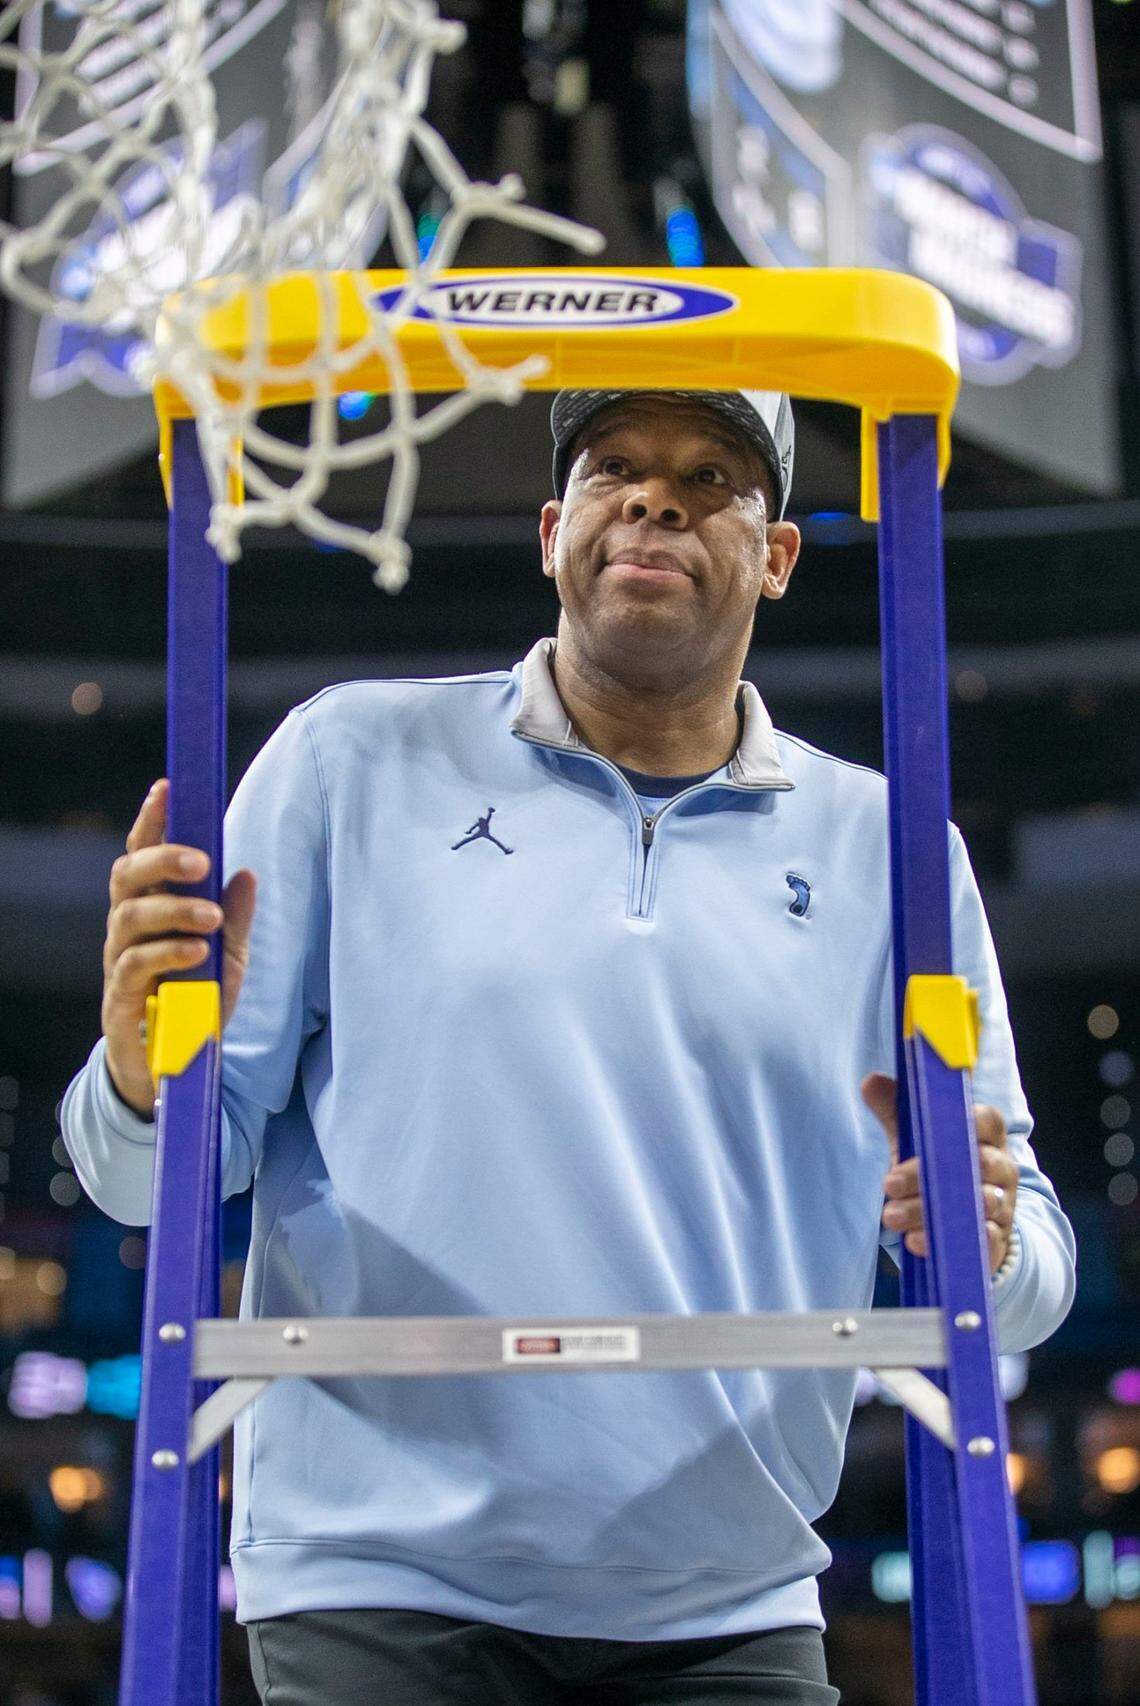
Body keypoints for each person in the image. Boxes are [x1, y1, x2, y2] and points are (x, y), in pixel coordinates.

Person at [62, 387, 1076, 1705]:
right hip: (379, 1585)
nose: (655, 498)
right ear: (552, 532)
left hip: (731, 1600)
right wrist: (145, 1084)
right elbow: (148, 1186)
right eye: (614, 469)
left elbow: (1027, 1281)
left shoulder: (890, 853)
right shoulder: (345, 759)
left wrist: (983, 1241)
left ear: (777, 556)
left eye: (713, 476)